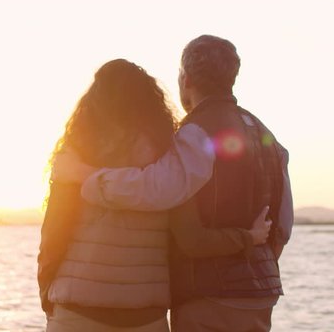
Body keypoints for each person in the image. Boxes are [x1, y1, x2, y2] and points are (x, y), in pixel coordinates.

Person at [52, 35, 293, 332]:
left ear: (185, 79)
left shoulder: (196, 132)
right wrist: (255, 253)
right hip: (261, 293)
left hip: (210, 295)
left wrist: (87, 176)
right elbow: (282, 226)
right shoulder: (268, 138)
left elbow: (158, 190)